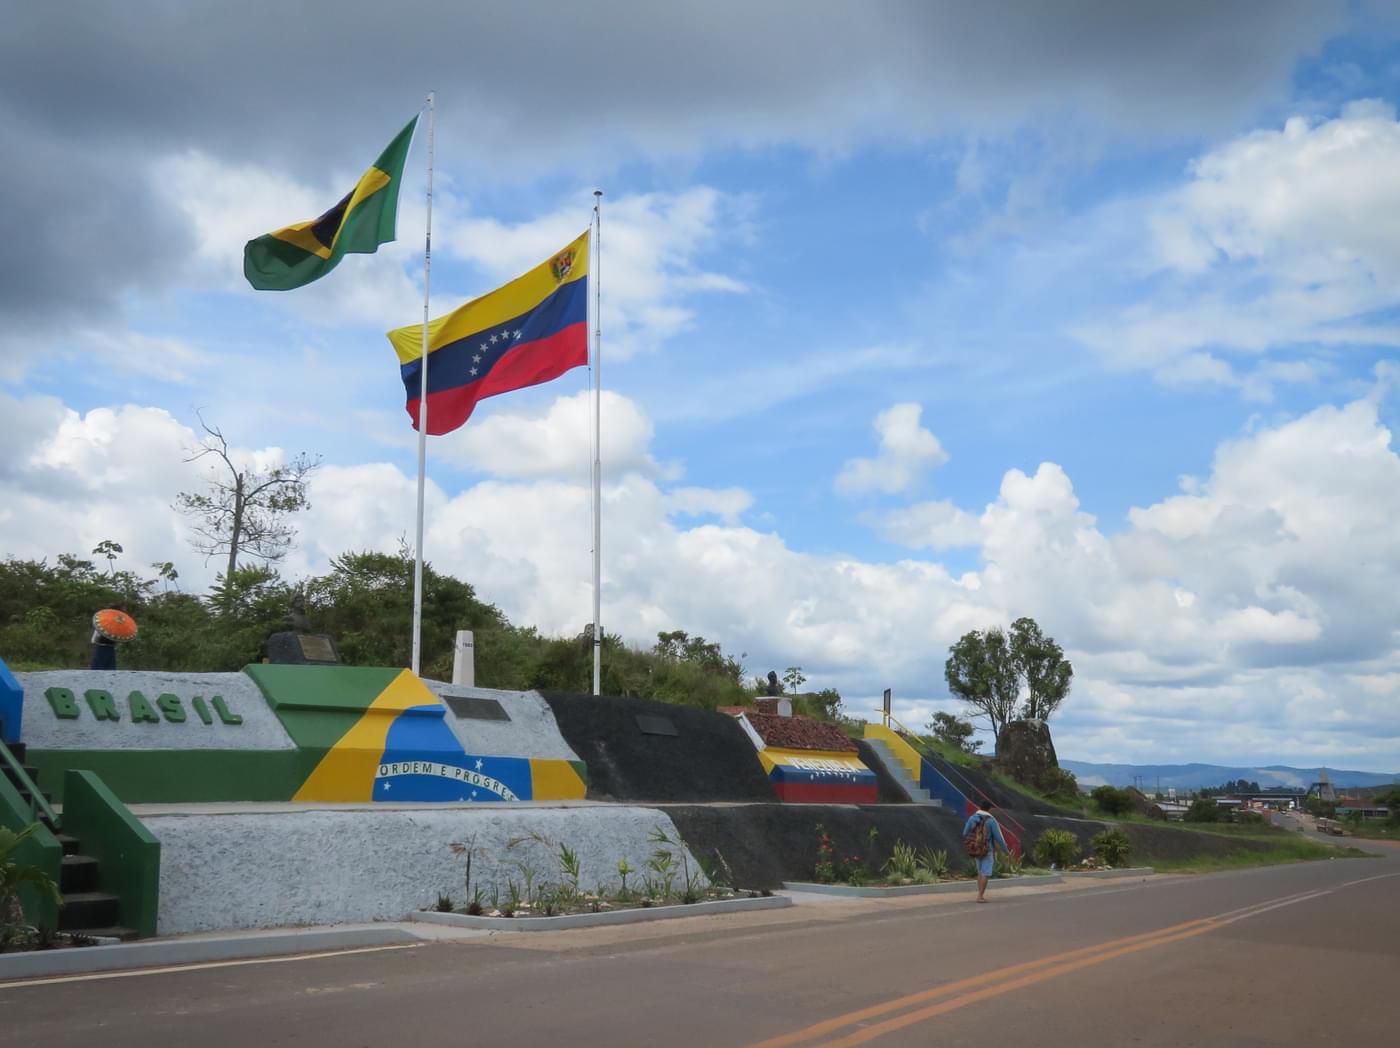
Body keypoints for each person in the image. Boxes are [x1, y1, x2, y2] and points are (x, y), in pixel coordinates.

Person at [962, 807, 1010, 903]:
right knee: (986, 872)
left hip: (976, 849)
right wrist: (1006, 851)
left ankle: (979, 894)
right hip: (987, 849)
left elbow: (964, 833)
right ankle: (980, 896)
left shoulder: (972, 818)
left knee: (980, 872)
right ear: (989, 810)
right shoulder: (991, 821)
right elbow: (999, 838)